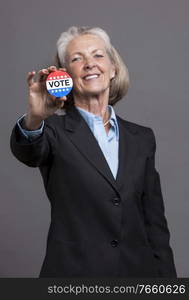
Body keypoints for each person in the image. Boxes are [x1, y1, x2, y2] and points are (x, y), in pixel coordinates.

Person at [10, 26, 177, 278]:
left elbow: (155, 225)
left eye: (98, 55)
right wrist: (34, 119)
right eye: (77, 59)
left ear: (113, 69)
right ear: (64, 75)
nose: (89, 64)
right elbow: (30, 151)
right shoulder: (52, 131)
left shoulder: (142, 138)